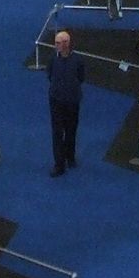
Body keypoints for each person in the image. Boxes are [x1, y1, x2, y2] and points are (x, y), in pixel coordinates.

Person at [46, 29, 85, 177]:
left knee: (71, 130)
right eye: (55, 43)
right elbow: (50, 75)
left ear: (67, 43)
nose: (56, 46)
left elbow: (81, 77)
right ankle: (59, 164)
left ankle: (70, 157)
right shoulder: (52, 59)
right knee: (57, 133)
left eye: (58, 43)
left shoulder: (77, 60)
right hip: (56, 101)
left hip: (72, 101)